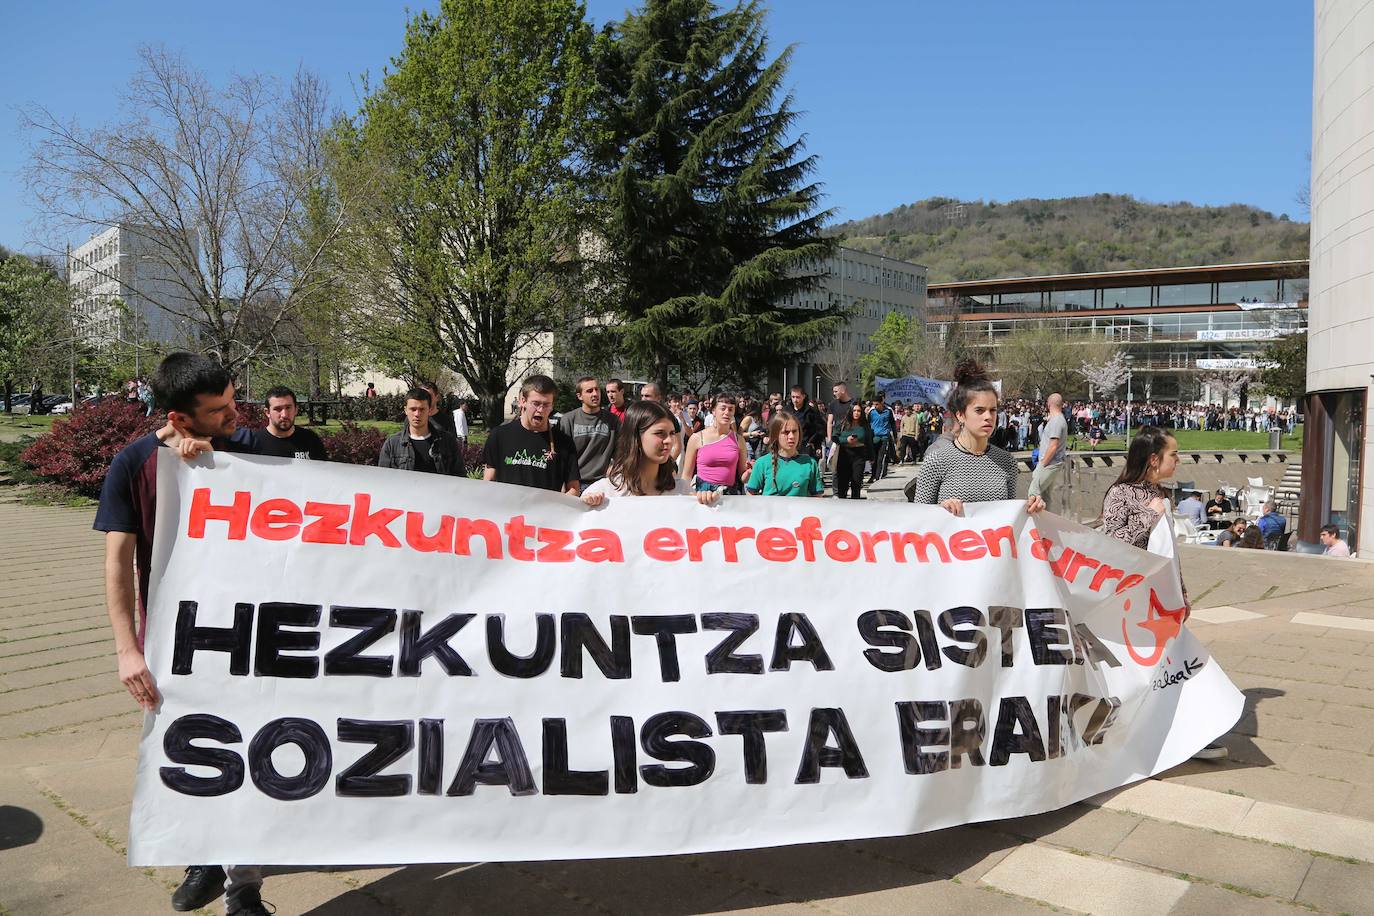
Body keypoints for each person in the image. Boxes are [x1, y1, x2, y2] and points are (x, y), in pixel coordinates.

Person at [93, 353, 271, 915]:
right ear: (180, 416)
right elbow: (118, 564)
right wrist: (127, 650)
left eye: (233, 399)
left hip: (256, 642)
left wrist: (216, 464)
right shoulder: (134, 464)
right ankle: (202, 859)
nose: (234, 413)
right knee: (193, 757)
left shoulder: (246, 451)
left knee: (251, 762)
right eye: (219, 410)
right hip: (177, 645)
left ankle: (243, 890)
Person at [1100, 426, 1225, 761]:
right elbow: (1112, 545)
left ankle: (1190, 734)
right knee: (1140, 674)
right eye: (1173, 454)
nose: (1178, 460)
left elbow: (1169, 553)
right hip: (1132, 602)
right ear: (1154, 460)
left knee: (1176, 667)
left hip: (1162, 599)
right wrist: (1150, 516)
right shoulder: (1120, 494)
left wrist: (1180, 592)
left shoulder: (1162, 494)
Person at [911, 360, 1043, 517]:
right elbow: (918, 520)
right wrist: (940, 510)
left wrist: (1032, 510)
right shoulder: (937, 460)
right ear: (960, 415)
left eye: (993, 410)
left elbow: (1009, 520)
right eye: (979, 410)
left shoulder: (1007, 463)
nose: (988, 417)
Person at [582, 400, 718, 504]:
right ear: (635, 437)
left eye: (671, 433)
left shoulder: (682, 491)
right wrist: (587, 507)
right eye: (660, 433)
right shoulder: (605, 492)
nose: (669, 441)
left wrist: (706, 506)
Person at [483, 375, 580, 493]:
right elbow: (489, 480)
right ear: (523, 401)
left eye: (546, 405)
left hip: (545, 510)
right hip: (508, 509)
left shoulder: (564, 442)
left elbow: (573, 488)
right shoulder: (499, 436)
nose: (541, 410)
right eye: (536, 403)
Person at [378, 388, 466, 476]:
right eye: (413, 409)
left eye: (422, 409)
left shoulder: (447, 441)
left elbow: (460, 477)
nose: (417, 414)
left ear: (429, 410)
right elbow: (384, 480)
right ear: (405, 410)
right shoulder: (392, 444)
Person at [558, 376, 619, 489]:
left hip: (602, 484)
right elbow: (562, 457)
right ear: (579, 396)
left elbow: (621, 453)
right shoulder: (568, 420)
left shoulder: (613, 420)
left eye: (597, 389)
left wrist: (612, 469)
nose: (595, 394)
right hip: (575, 484)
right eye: (589, 391)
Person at [681, 393, 748, 493]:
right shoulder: (697, 438)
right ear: (713, 411)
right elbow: (686, 475)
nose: (727, 413)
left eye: (730, 409)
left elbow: (742, 476)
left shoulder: (739, 440)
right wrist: (689, 496)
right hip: (703, 495)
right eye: (723, 408)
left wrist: (751, 472)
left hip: (729, 496)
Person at [745, 414, 825, 497]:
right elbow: (751, 494)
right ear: (776, 435)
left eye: (794, 431)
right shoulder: (762, 463)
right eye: (786, 432)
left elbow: (817, 497)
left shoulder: (810, 463)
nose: (791, 436)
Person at [253, 386, 328, 461]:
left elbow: (323, 470)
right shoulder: (255, 443)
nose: (284, 415)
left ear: (296, 410)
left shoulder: (310, 439)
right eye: (278, 409)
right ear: (267, 412)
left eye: (288, 408)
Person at [1029, 392, 1068, 510]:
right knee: (1045, 496)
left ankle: (1033, 523)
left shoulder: (1056, 421)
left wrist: (1042, 464)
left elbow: (1053, 446)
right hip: (1053, 462)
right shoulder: (1059, 420)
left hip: (1049, 463)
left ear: (1049, 404)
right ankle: (1045, 525)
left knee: (1034, 492)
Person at [832, 402, 872, 499]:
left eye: (859, 411)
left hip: (859, 455)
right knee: (843, 484)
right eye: (854, 410)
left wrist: (871, 457)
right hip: (844, 454)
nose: (856, 413)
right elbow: (835, 437)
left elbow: (868, 440)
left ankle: (856, 507)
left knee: (856, 483)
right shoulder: (843, 423)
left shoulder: (865, 425)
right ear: (850, 411)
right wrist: (846, 440)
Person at [782, 386, 826, 457]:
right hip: (789, 444)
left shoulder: (811, 411)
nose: (795, 400)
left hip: (805, 446)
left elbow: (820, 429)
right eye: (793, 397)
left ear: (803, 396)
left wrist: (814, 443)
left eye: (797, 397)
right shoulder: (786, 410)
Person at [867, 392, 896, 482]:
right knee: (874, 458)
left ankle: (878, 477)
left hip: (884, 437)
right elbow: (867, 425)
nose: (875, 406)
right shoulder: (871, 412)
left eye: (877, 404)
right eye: (874, 404)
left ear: (881, 403)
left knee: (881, 458)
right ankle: (873, 475)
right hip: (874, 437)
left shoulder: (888, 411)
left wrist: (895, 436)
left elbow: (892, 424)